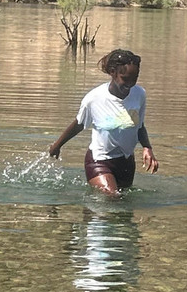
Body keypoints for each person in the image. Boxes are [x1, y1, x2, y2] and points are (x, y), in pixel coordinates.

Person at [49, 49, 159, 198]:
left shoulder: (139, 94)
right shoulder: (94, 98)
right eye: (125, 79)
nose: (130, 84)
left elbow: (139, 125)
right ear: (113, 72)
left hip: (126, 161)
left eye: (135, 78)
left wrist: (147, 147)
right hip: (99, 160)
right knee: (113, 197)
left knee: (123, 208)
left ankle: (89, 216)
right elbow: (79, 124)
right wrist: (57, 145)